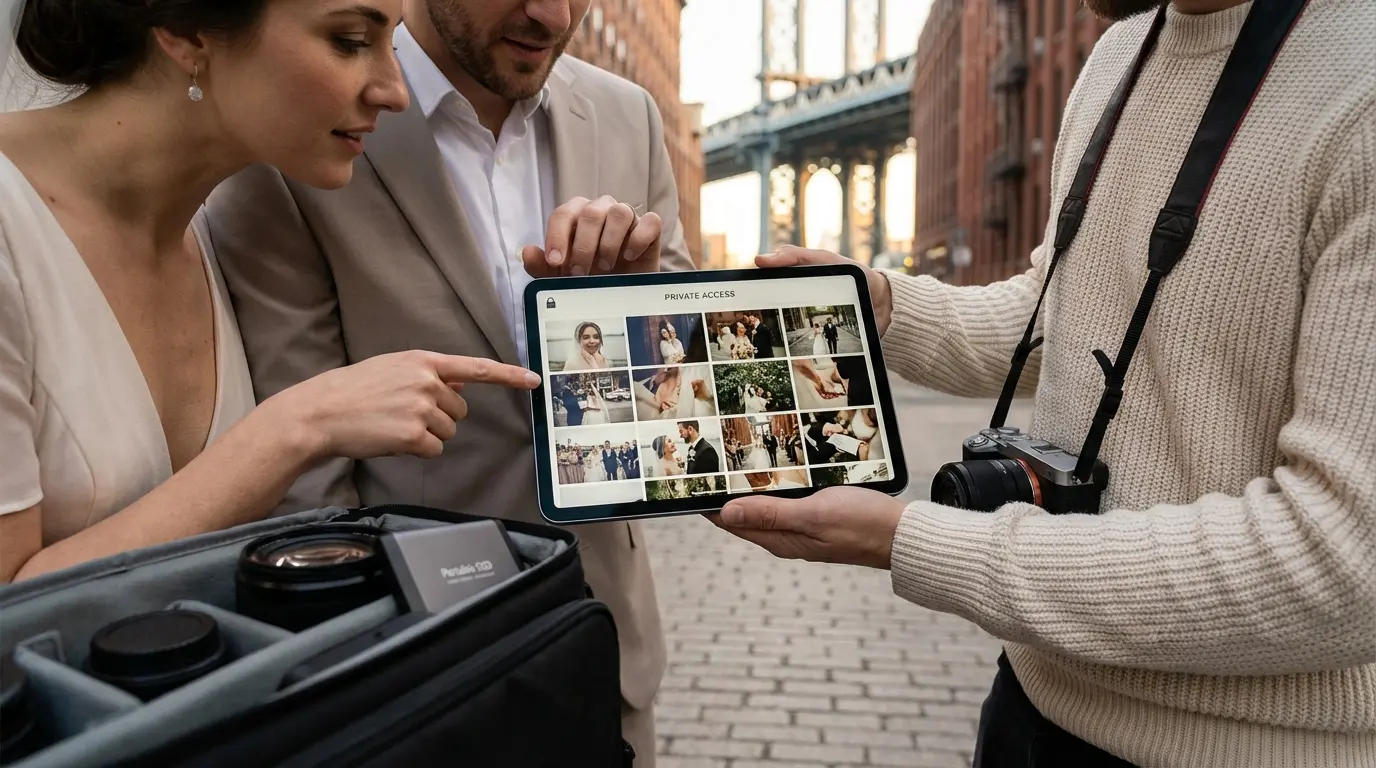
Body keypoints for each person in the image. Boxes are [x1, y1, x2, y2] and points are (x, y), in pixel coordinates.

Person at [711, 0, 1376, 765]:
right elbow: (1063, 312)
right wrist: (880, 308)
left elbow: (1340, 558)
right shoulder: (1120, 50)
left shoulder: (1359, 87)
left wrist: (912, 542)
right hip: (1031, 708)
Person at [205, 2, 693, 758]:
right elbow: (303, 467)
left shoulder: (628, 115)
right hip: (416, 674)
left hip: (610, 649)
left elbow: (676, 400)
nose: (551, 15)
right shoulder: (300, 123)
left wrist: (636, 311)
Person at [0, 0, 541, 585]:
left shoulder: (216, 229)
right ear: (186, 31)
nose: (395, 91)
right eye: (350, 40)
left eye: (392, 45)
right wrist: (293, 430)